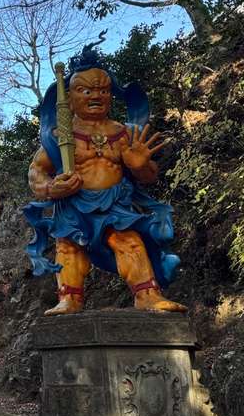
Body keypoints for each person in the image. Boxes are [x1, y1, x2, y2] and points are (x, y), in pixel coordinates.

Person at [24, 48, 186, 316]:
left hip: (116, 204)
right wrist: (52, 187)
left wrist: (140, 166)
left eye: (102, 90)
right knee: (69, 247)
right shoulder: (59, 135)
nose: (95, 96)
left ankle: (148, 295)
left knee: (129, 242)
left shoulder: (125, 133)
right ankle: (69, 299)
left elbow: (149, 176)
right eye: (85, 90)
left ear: (111, 95)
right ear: (69, 97)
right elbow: (36, 171)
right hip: (74, 204)